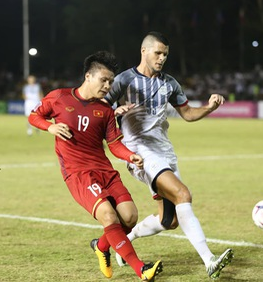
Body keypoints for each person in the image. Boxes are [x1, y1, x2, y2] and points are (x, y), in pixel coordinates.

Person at [104, 31, 233, 279]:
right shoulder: (124, 80)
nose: (162, 58)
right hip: (139, 151)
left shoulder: (170, 83)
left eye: (165, 54)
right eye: (158, 53)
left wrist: (209, 107)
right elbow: (100, 107)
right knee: (183, 193)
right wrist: (115, 111)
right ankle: (210, 260)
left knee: (168, 221)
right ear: (144, 51)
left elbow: (188, 114)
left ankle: (123, 244)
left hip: (165, 152)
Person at [28, 51, 163, 281]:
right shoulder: (60, 97)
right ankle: (141, 269)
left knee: (129, 218)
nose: (108, 86)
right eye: (104, 80)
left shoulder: (106, 111)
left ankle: (101, 246)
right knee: (109, 217)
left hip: (106, 171)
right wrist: (49, 127)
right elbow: (34, 116)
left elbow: (114, 145)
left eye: (111, 81)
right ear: (88, 76)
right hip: (78, 173)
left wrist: (131, 156)